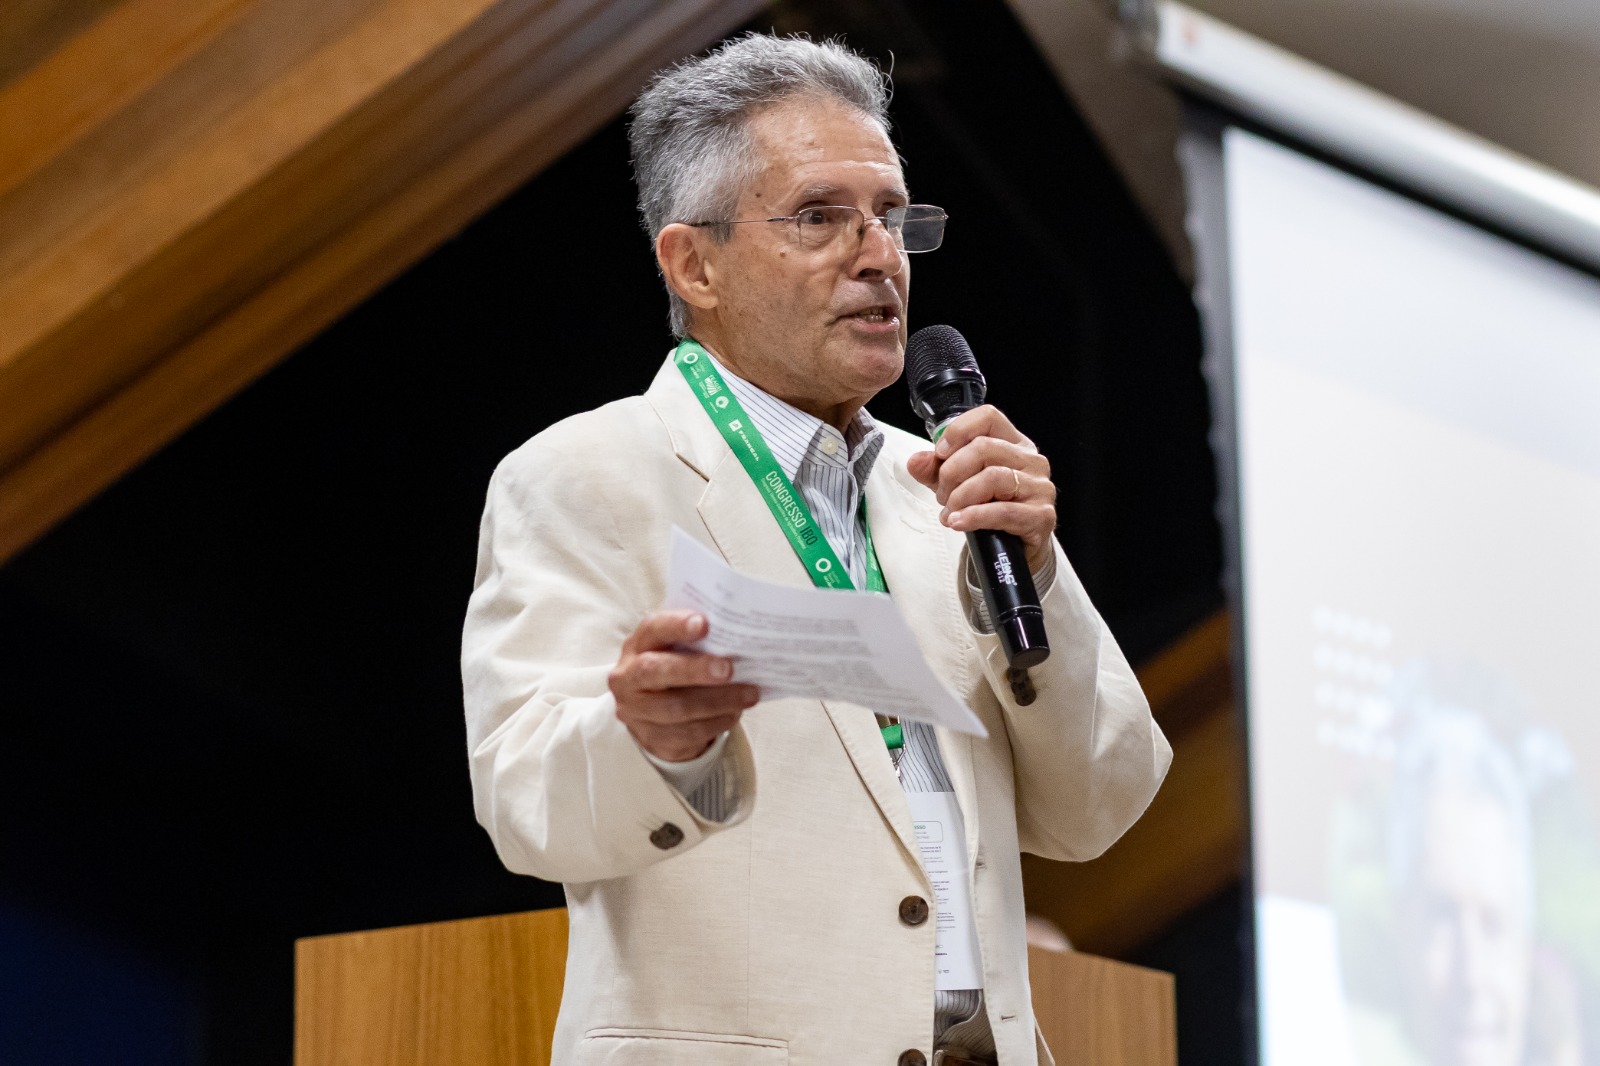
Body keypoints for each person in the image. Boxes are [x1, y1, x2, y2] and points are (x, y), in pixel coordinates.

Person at [461, 33, 1170, 1066]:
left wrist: (1038, 576)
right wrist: (652, 742)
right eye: (819, 216)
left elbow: (1100, 807)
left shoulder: (953, 494)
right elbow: (525, 804)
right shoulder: (588, 473)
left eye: (890, 215)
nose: (878, 254)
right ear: (694, 264)